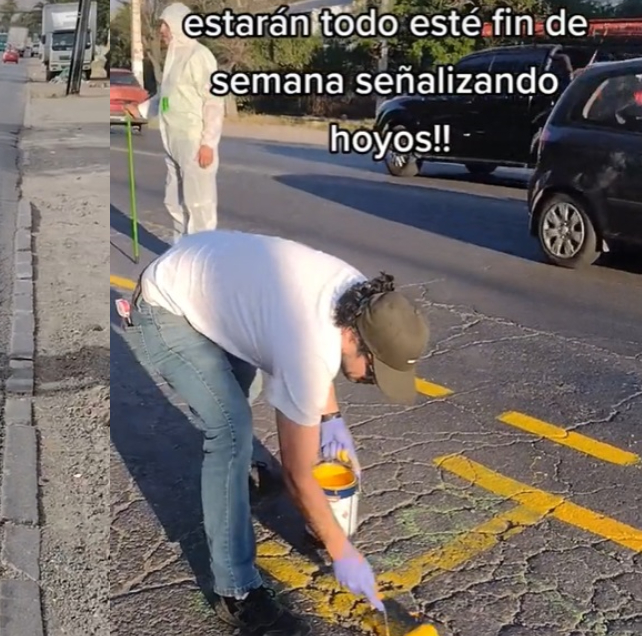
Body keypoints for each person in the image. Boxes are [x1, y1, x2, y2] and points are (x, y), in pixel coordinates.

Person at [121, 230, 430, 635]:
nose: (374, 380)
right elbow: (299, 476)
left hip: (213, 282)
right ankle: (237, 592)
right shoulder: (310, 343)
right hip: (167, 306)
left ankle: (247, 469)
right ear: (356, 337)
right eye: (375, 370)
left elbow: (317, 354)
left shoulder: (360, 300)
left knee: (241, 391)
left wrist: (331, 420)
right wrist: (342, 551)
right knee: (229, 430)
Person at [123, 2, 224, 242]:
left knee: (198, 203)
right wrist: (140, 110)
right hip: (172, 139)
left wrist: (208, 143)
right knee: (174, 200)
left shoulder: (199, 56)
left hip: (193, 141)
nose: (162, 31)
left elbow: (213, 101)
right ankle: (180, 251)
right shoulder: (174, 57)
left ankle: (201, 255)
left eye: (165, 26)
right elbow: (166, 98)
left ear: (178, 26)